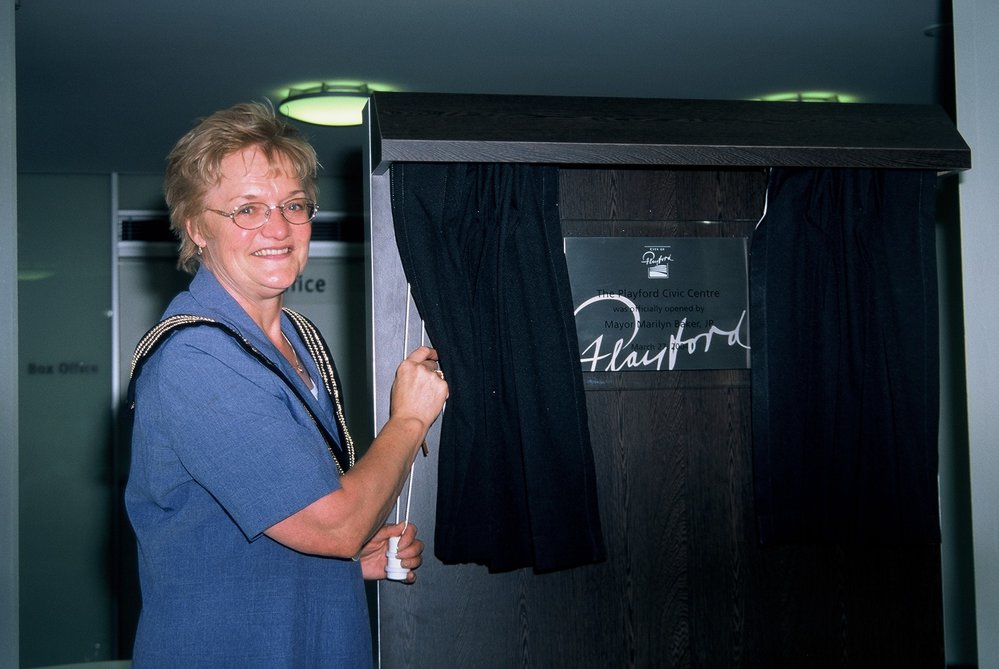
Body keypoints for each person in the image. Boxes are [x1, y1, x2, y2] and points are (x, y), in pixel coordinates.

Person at [124, 101, 448, 668]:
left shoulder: (299, 339)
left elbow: (294, 516)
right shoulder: (196, 358)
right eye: (247, 209)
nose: (278, 228)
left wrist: (345, 563)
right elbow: (338, 524)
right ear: (197, 226)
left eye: (293, 205)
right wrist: (409, 419)